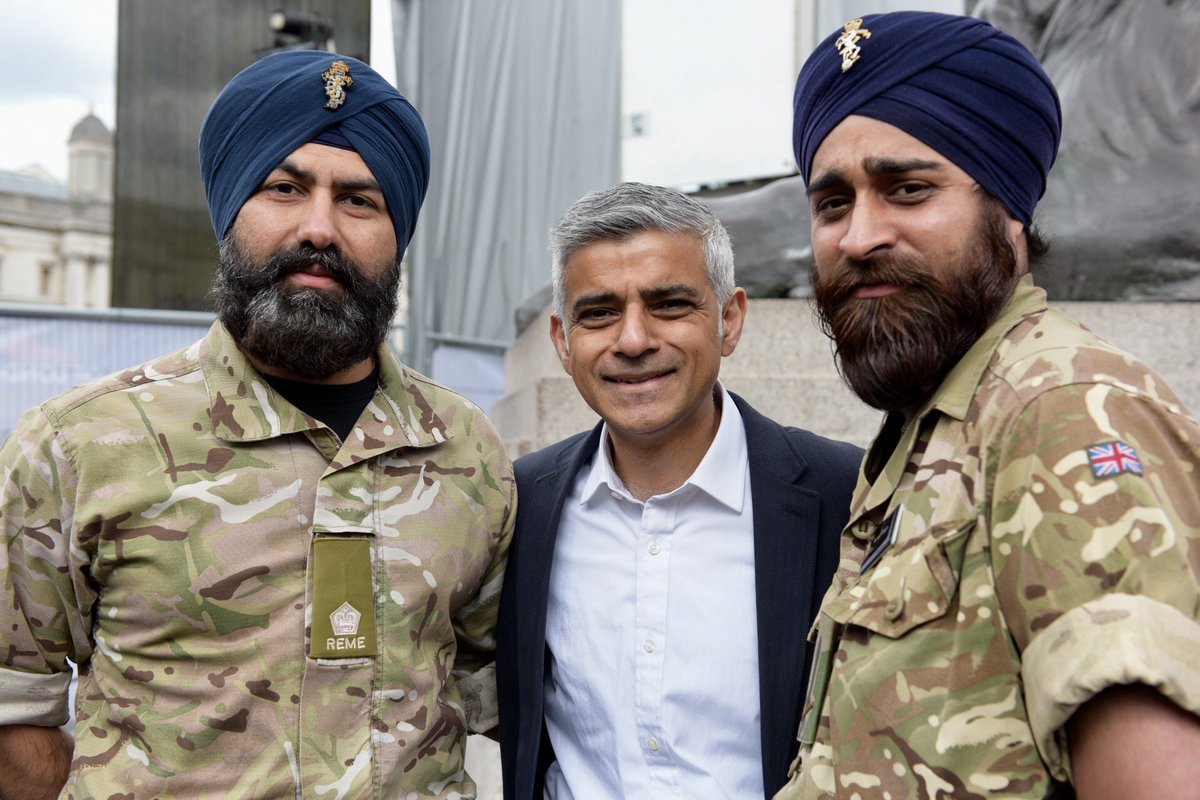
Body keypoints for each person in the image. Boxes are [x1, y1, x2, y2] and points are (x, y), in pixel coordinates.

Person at [0, 50, 514, 800]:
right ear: (230, 210)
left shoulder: (468, 449)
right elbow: (15, 714)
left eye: (360, 200)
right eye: (284, 188)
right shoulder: (74, 447)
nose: (319, 228)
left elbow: (491, 694)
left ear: (398, 235)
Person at [777, 11, 1200, 799]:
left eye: (908, 190)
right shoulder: (937, 418)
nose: (859, 236)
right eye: (832, 203)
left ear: (1009, 211)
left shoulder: (1063, 413)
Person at [494, 182, 862, 799]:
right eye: (599, 312)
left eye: (669, 305)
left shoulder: (845, 494)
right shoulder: (520, 504)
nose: (633, 340)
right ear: (562, 340)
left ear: (729, 320)